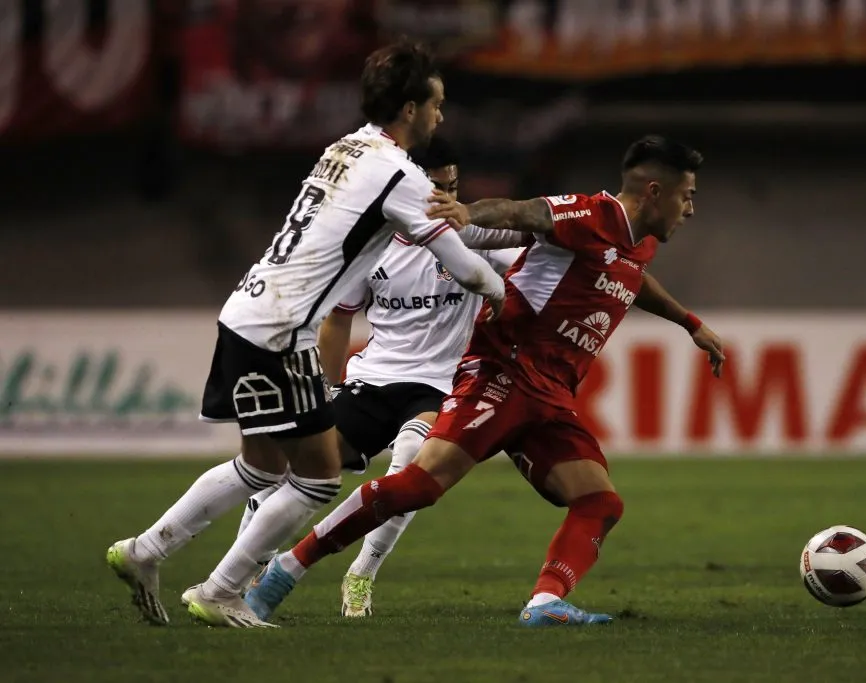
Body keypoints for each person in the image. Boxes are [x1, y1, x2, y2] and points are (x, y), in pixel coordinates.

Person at [244, 134, 726, 626]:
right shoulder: (589, 215)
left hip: (550, 395)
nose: (690, 209)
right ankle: (285, 570)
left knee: (599, 501)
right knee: (419, 485)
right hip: (505, 372)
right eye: (686, 196)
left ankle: (545, 603)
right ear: (654, 192)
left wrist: (689, 323)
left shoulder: (639, 244)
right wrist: (467, 213)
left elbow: (632, 277)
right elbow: (520, 212)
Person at [104, 40, 506, 629]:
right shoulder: (400, 174)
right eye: (436, 104)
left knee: (260, 468)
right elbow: (468, 269)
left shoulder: (343, 148)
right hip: (283, 332)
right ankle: (221, 591)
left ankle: (145, 551)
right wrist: (502, 297)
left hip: (245, 311)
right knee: (318, 478)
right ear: (410, 108)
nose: (440, 116)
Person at [236, 137, 524, 618]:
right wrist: (326, 390)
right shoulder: (372, 242)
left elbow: (538, 252)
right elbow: (338, 319)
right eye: (436, 188)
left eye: (453, 188)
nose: (446, 199)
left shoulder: (474, 238)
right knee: (294, 467)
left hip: (439, 384)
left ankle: (361, 574)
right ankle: (245, 568)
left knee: (412, 460)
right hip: (373, 378)